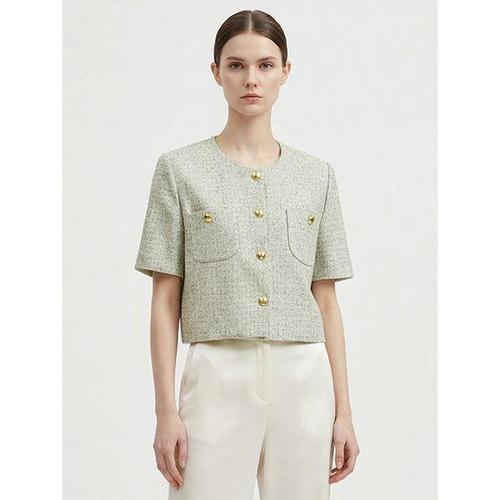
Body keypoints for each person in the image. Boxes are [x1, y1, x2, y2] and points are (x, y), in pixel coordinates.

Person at [134, 9, 360, 500]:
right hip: (216, 373)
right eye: (236, 65)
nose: (251, 79)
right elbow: (164, 300)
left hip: (303, 377)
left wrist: (343, 410)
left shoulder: (317, 176)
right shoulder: (179, 171)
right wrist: (165, 410)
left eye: (265, 65)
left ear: (285, 71)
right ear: (216, 72)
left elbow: (327, 302)